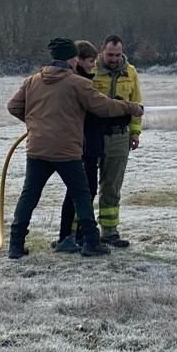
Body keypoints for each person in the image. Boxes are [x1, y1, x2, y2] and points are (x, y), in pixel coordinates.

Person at [6, 37, 143, 259]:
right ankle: (91, 242)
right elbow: (104, 106)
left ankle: (15, 245)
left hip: (37, 149)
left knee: (29, 196)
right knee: (83, 193)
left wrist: (37, 125)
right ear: (72, 59)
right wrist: (131, 108)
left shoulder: (32, 81)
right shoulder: (77, 83)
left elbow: (13, 106)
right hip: (67, 151)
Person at [53, 40, 106, 252]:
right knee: (82, 191)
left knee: (83, 191)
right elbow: (94, 111)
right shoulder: (78, 83)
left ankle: (76, 236)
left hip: (89, 144)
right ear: (79, 61)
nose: (94, 65)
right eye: (91, 61)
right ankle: (72, 237)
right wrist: (118, 108)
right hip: (81, 146)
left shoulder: (82, 81)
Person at [92, 34, 143, 247]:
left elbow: (137, 104)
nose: (114, 59)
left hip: (119, 137)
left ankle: (109, 232)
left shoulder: (130, 73)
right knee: (85, 185)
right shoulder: (89, 71)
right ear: (101, 50)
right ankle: (77, 231)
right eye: (110, 54)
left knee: (112, 186)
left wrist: (135, 132)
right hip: (92, 135)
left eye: (118, 54)